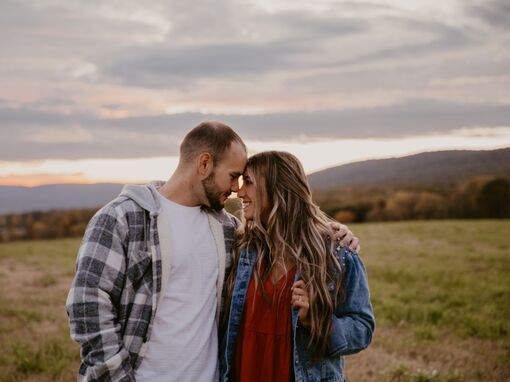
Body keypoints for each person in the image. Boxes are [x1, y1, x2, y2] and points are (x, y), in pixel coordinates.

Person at [66, 122, 359, 381]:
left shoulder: (226, 228)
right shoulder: (123, 218)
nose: (235, 189)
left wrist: (333, 232)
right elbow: (87, 303)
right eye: (233, 176)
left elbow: (288, 230)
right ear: (204, 164)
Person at [220, 151, 374, 382]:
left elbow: (363, 330)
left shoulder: (336, 254)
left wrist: (316, 321)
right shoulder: (240, 247)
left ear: (278, 189)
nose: (240, 192)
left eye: (249, 183)